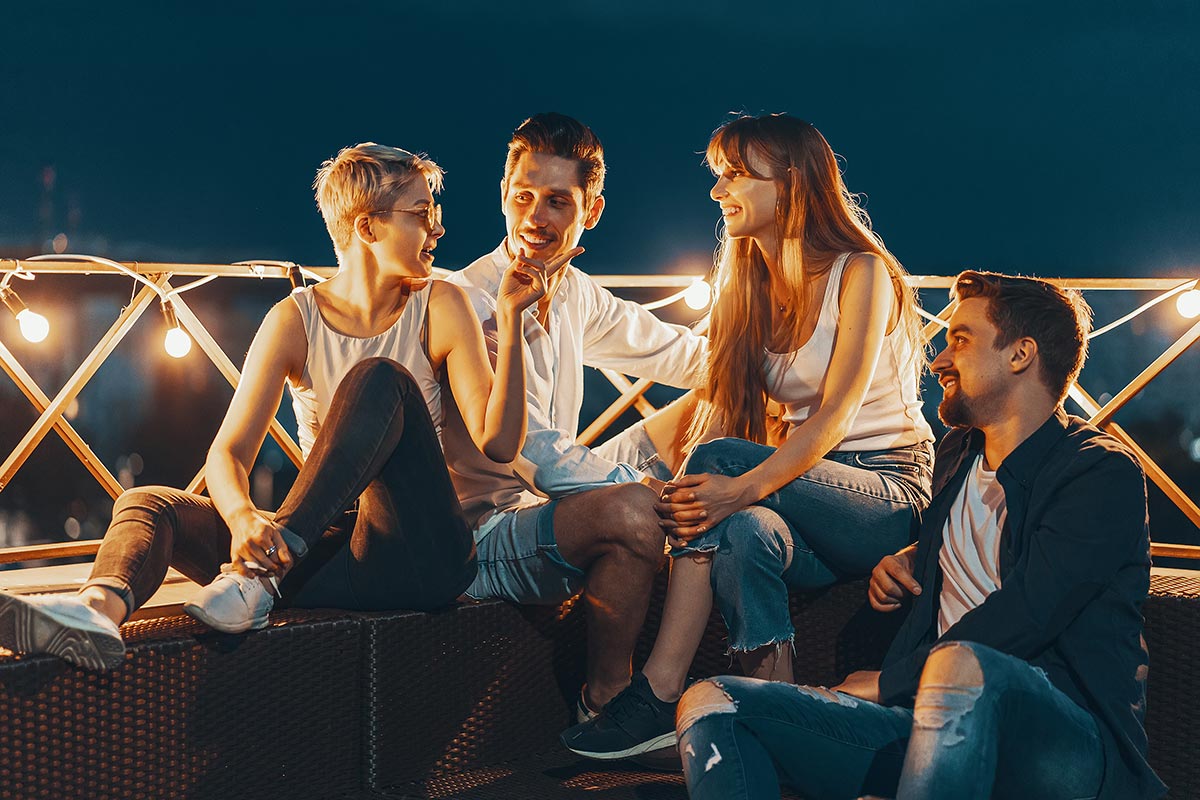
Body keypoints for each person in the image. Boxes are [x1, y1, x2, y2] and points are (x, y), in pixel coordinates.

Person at [0, 142, 557, 670]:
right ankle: (95, 613)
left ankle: (256, 581)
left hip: (422, 554)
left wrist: (509, 322)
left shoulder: (444, 302)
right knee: (148, 501)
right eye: (419, 213)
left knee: (380, 379)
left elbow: (500, 445)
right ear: (368, 227)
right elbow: (229, 454)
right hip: (327, 549)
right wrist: (243, 520)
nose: (436, 227)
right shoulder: (296, 319)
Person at [674, 272, 1166, 800]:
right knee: (713, 703)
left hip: (1067, 739)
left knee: (957, 667)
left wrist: (891, 681)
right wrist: (915, 555)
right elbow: (976, 539)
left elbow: (1030, 611)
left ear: (1021, 354)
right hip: (925, 720)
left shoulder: (1097, 471)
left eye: (961, 340)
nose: (938, 361)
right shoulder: (956, 455)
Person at [562, 113, 934, 760]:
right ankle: (783, 719)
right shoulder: (748, 287)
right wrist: (682, 496)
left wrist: (735, 486)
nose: (718, 191)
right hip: (799, 495)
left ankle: (659, 686)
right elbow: (724, 417)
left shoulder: (861, 272)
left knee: (727, 478)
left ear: (791, 184)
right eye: (718, 176)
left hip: (886, 492)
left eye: (735, 174)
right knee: (743, 530)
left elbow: (836, 415)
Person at [442, 112, 707, 726]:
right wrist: (638, 490)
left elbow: (685, 356)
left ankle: (737, 540)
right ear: (503, 198)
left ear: (592, 210)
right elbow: (528, 449)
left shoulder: (577, 291)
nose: (535, 217)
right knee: (633, 510)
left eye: (557, 201)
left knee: (714, 401)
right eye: (523, 197)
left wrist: (796, 352)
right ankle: (607, 703)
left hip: (550, 500)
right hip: (484, 532)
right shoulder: (466, 299)